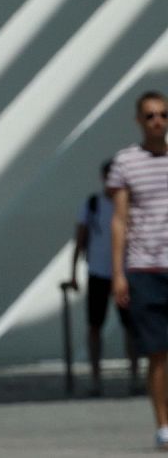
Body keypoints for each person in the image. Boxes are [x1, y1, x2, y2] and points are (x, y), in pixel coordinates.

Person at [108, 90, 168, 450]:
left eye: (163, 115)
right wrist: (118, 273)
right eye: (150, 116)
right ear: (138, 121)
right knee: (158, 352)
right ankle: (164, 423)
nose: (158, 121)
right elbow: (119, 220)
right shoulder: (126, 162)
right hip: (145, 268)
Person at [70, 159, 140, 395]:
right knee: (94, 326)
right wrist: (73, 273)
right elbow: (80, 239)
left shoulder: (131, 204)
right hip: (98, 273)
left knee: (131, 326)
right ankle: (95, 379)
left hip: (126, 273)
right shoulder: (92, 205)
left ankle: (135, 376)